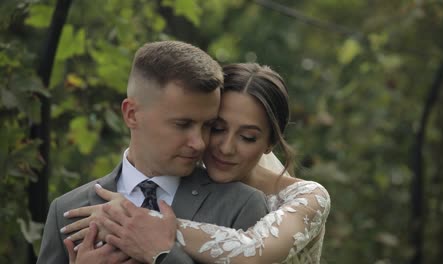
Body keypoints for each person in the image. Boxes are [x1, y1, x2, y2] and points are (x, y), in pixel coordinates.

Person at [63, 63, 331, 263]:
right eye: (216, 128)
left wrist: (132, 218)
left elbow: (254, 251)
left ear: (270, 143)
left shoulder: (308, 197)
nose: (226, 148)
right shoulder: (175, 182)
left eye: (248, 137)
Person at [36, 42, 269, 264]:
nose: (199, 143)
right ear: (132, 114)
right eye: (182, 124)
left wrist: (163, 255)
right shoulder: (66, 210)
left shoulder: (241, 206)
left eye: (208, 126)